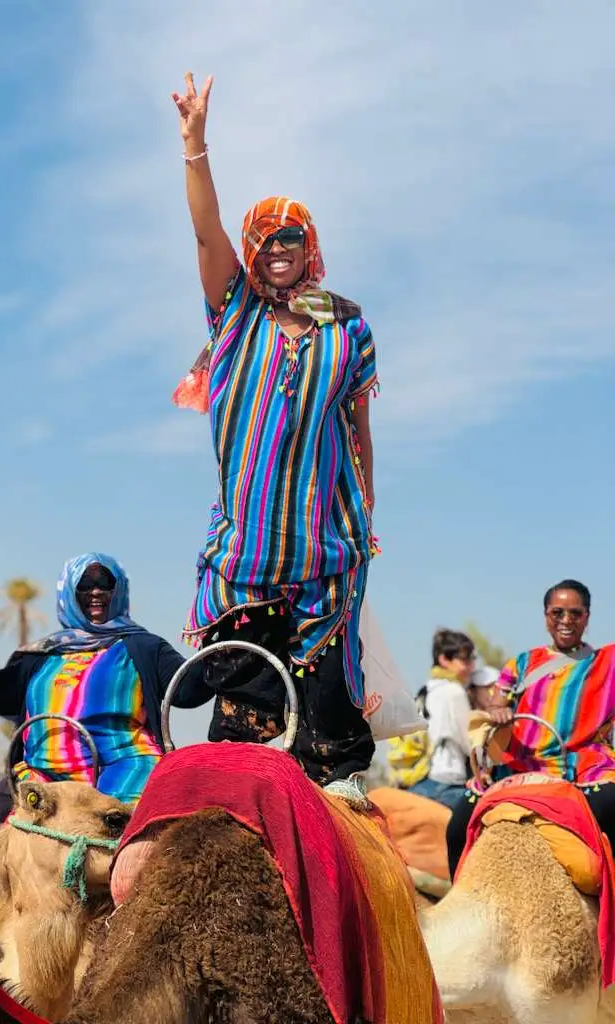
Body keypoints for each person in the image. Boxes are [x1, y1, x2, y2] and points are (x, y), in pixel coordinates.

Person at [170, 73, 379, 804]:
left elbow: (357, 428)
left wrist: (369, 513)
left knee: (329, 746)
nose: (279, 247)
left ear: (309, 244)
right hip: (246, 554)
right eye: (266, 238)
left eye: (292, 236)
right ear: (253, 251)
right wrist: (195, 145)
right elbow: (206, 230)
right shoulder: (234, 313)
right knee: (243, 727)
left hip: (324, 549)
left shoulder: (348, 326)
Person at [0, 552, 211, 842]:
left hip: (125, 772)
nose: (95, 591)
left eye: (104, 583)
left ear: (118, 590)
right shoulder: (41, 655)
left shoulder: (144, 647)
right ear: (69, 593)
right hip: (43, 777)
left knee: (138, 845)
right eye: (84, 584)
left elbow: (189, 690)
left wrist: (217, 634)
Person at [446, 579, 615, 878]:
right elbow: (497, 704)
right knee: (457, 827)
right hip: (519, 766)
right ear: (546, 615)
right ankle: (456, 890)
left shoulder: (607, 661)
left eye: (575, 613)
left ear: (587, 617)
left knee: (611, 804)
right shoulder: (522, 663)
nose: (566, 621)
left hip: (583, 766)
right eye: (557, 613)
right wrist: (498, 712)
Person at [403, 630, 476, 809]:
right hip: (448, 782)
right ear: (444, 659)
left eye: (472, 659)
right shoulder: (454, 691)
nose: (470, 666)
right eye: (465, 660)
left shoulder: (424, 690)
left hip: (420, 782)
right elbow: (470, 743)